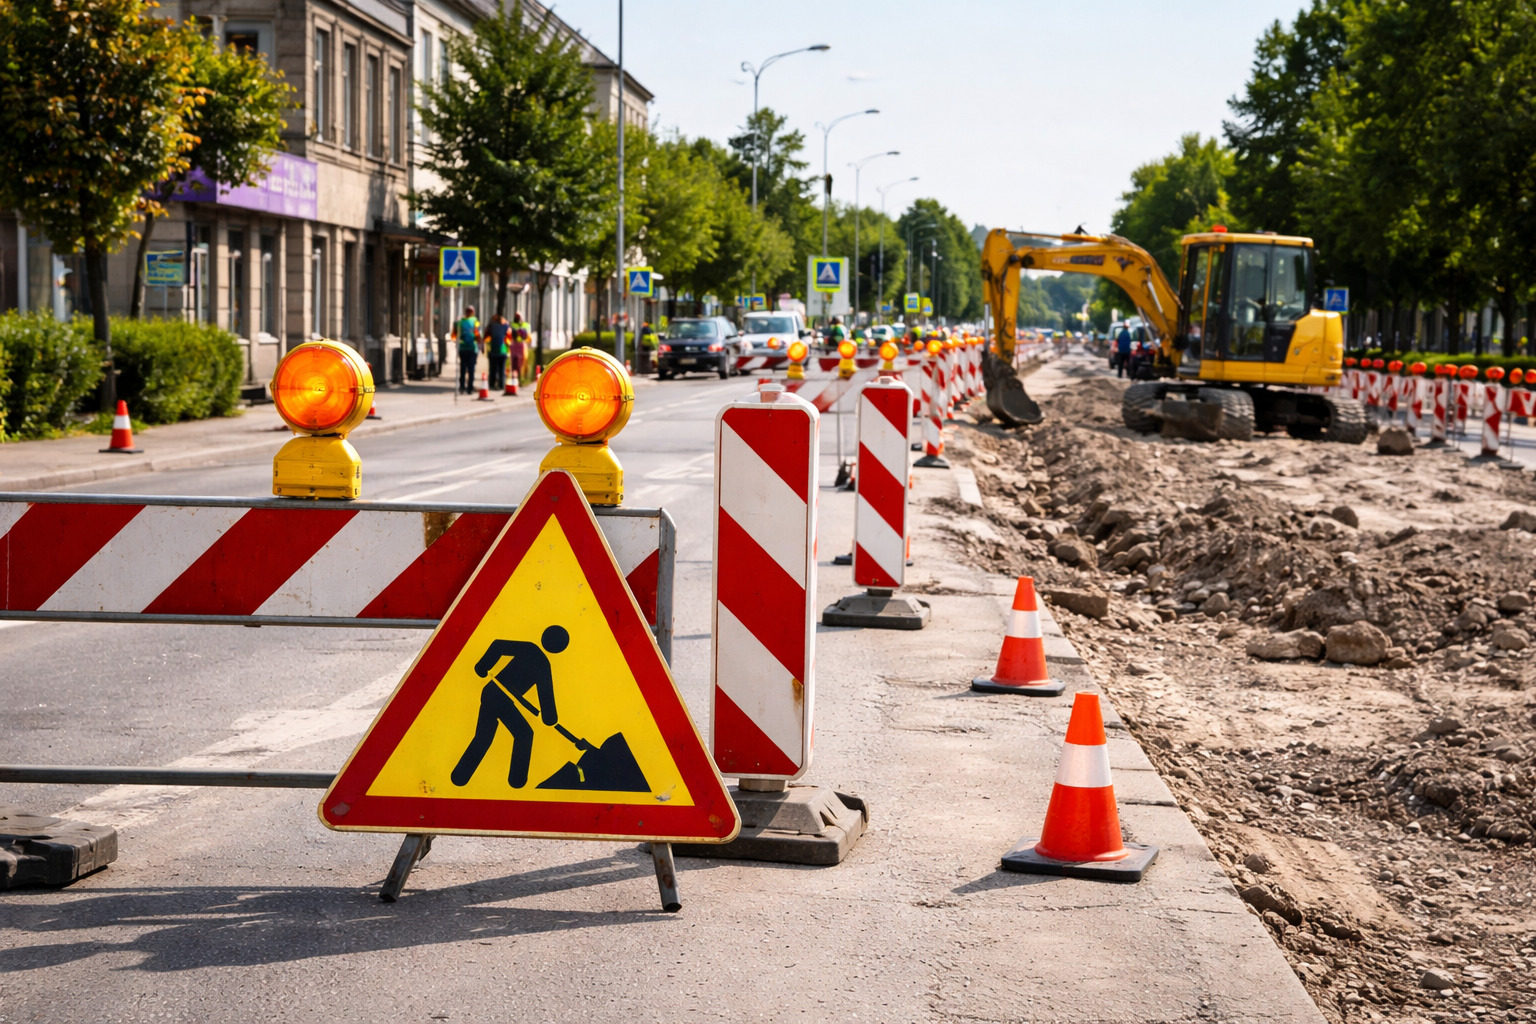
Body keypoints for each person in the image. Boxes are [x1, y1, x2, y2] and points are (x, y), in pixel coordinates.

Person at [451, 627, 569, 789]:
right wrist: (550, 719)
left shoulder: (530, 648)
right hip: (502, 698)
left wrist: (482, 666)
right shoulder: (543, 664)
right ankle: (517, 781)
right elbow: (546, 697)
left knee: (483, 737)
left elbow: (498, 646)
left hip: (490, 692)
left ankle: (459, 777)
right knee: (525, 734)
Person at [456, 306, 481, 393]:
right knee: (471, 369)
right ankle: (469, 388)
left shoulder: (460, 322)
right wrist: (480, 344)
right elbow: (478, 334)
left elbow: (455, 334)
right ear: (472, 312)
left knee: (463, 368)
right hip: (472, 349)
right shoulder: (475, 321)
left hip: (463, 348)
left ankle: (462, 387)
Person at [486, 314, 510, 392]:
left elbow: (486, 336)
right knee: (502, 369)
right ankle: (501, 385)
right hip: (503, 351)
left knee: (493, 369)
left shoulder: (491, 326)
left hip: (493, 350)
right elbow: (509, 336)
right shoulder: (505, 326)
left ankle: (492, 384)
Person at [509, 312, 530, 383]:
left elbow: (526, 336)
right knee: (515, 363)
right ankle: (515, 378)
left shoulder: (524, 325)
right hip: (516, 345)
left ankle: (518, 378)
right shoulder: (513, 325)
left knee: (519, 363)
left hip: (519, 346)